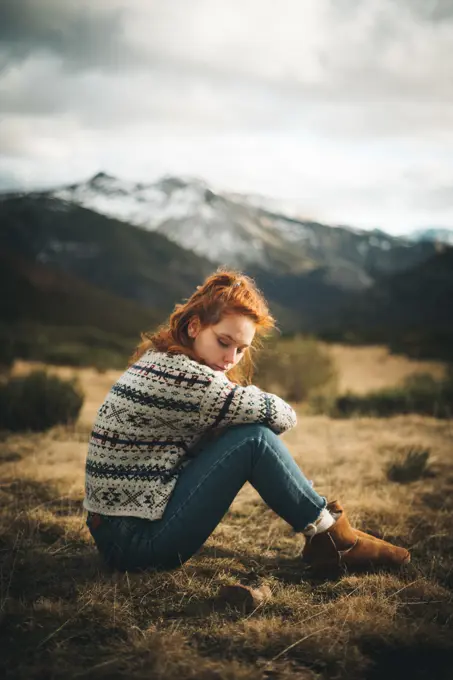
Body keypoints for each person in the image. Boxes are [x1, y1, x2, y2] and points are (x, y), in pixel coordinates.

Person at [84, 269, 410, 573]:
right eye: (224, 342)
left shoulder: (161, 359)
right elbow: (284, 415)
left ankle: (330, 534)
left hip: (116, 532)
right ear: (194, 327)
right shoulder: (188, 378)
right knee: (253, 438)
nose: (230, 360)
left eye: (241, 350)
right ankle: (333, 538)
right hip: (134, 544)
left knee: (245, 433)